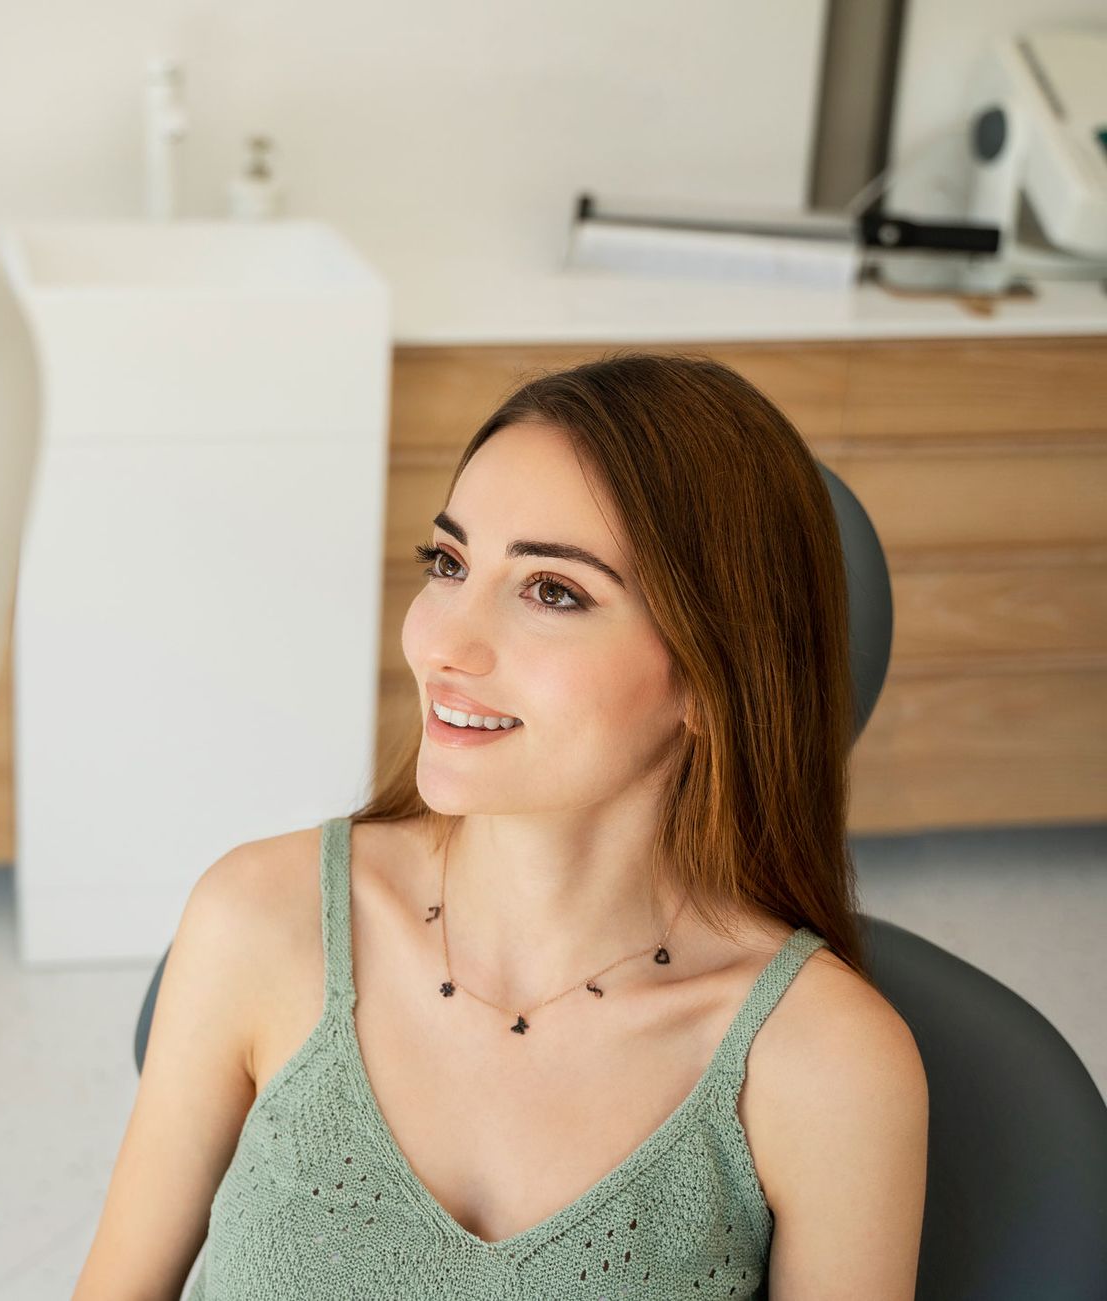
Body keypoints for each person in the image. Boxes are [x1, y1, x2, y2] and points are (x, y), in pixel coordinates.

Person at [71, 352, 928, 1299]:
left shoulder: (825, 1065)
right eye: (449, 563)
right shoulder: (258, 918)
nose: (440, 642)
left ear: (709, 676)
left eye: (552, 590)